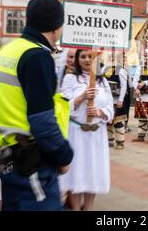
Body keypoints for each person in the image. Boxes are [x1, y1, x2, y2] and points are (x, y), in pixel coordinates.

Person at [0, 0, 73, 211]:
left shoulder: (7, 50)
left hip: (7, 156)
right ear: (57, 26)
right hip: (32, 162)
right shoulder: (36, 56)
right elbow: (42, 121)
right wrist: (64, 156)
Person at [60, 49, 114, 210]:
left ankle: (89, 208)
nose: (86, 60)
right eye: (82, 56)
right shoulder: (70, 78)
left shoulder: (102, 81)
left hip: (97, 134)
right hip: (77, 134)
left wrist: (99, 112)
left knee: (93, 174)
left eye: (90, 56)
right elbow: (63, 107)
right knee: (76, 173)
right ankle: (75, 208)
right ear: (77, 59)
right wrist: (81, 97)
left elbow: (110, 108)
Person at [103, 51, 129, 150]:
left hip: (116, 99)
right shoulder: (105, 68)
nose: (112, 58)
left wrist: (121, 100)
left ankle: (120, 142)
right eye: (111, 56)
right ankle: (110, 141)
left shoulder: (121, 69)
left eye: (114, 57)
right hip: (107, 100)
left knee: (118, 121)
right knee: (108, 121)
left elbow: (123, 86)